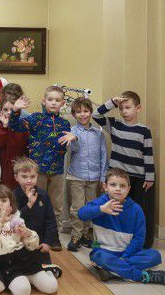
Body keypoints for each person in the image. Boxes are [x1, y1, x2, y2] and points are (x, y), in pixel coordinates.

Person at [9, 86, 70, 249]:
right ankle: (33, 236)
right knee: (36, 204)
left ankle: (53, 237)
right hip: (37, 173)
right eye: (50, 99)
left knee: (56, 206)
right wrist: (15, 110)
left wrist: (75, 137)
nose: (53, 103)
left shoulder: (65, 124)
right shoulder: (36, 118)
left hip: (57, 172)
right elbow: (14, 127)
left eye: (57, 100)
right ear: (44, 101)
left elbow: (71, 143)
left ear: (63, 103)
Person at [78, 168, 164, 284]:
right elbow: (81, 214)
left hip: (128, 253)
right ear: (105, 187)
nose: (118, 189)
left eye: (122, 186)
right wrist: (101, 209)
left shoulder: (136, 209)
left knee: (155, 255)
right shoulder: (100, 203)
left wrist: (124, 257)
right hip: (104, 252)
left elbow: (139, 239)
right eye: (113, 185)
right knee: (99, 257)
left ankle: (112, 270)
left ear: (128, 189)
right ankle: (143, 276)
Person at [93, 91, 155, 248]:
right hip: (117, 177)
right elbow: (96, 114)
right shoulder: (114, 125)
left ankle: (143, 243)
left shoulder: (144, 130)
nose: (124, 111)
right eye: (121, 108)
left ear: (138, 108)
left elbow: (148, 154)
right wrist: (112, 102)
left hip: (138, 177)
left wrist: (150, 177)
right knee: (116, 207)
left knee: (138, 210)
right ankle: (115, 240)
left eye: (128, 107)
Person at [0, 185, 58, 295]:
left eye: (4, 200)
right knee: (23, 292)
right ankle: (23, 280)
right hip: (7, 264)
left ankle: (47, 271)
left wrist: (28, 234)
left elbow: (32, 246)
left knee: (52, 287)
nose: (0, 204)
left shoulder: (16, 217)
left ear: (10, 204)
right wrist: (1, 220)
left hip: (26, 259)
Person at [60, 97, 108, 251]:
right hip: (77, 175)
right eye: (78, 112)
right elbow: (72, 150)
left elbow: (103, 155)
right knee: (77, 207)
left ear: (91, 112)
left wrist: (103, 177)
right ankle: (76, 235)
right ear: (74, 114)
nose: (83, 114)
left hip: (94, 177)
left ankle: (85, 234)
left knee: (90, 206)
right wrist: (74, 139)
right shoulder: (72, 131)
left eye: (86, 111)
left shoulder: (98, 133)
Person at [12, 158, 62, 277]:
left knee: (47, 275)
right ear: (16, 177)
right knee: (20, 273)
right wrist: (29, 205)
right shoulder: (12, 196)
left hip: (39, 245)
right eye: (24, 177)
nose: (29, 180)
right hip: (18, 245)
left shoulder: (43, 195)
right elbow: (14, 221)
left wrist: (47, 242)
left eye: (33, 176)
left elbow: (50, 221)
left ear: (37, 176)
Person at [0, 92, 29, 189]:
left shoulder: (23, 125)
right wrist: (5, 126)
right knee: (6, 188)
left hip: (20, 162)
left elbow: (26, 144)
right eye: (5, 110)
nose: (9, 112)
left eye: (12, 109)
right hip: (5, 164)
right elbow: (0, 143)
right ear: (0, 111)